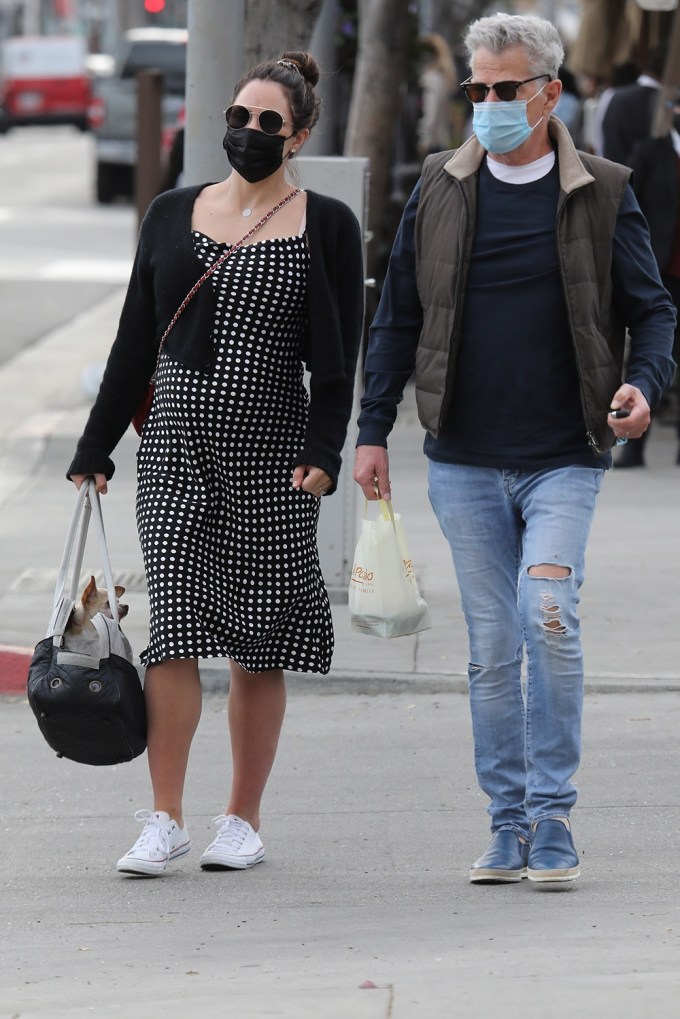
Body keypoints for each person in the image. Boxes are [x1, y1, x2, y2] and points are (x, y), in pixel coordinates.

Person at [354, 13, 675, 886]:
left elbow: (654, 308)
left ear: (548, 92)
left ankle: (554, 817)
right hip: (461, 457)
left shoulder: (603, 187)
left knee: (550, 621)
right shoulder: (439, 186)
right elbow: (399, 317)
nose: (487, 106)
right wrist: (372, 426)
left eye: (505, 90)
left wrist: (643, 386)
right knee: (493, 647)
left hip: (564, 453)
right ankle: (506, 824)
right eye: (477, 90)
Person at [67, 51, 364, 877]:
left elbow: (340, 362)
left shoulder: (326, 224)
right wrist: (95, 447)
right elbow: (134, 339)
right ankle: (164, 817)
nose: (250, 133)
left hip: (273, 451)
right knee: (175, 629)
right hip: (176, 445)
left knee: (257, 643)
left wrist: (324, 450)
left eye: (270, 123)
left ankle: (243, 816)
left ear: (298, 134)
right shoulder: (171, 212)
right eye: (240, 117)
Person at [626, 104, 680, 466]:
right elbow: (630, 207)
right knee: (651, 351)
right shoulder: (649, 152)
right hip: (660, 271)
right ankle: (633, 445)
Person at [416, 33, 457, 159]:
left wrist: (424, 139)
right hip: (441, 141)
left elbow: (431, 112)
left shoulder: (431, 79)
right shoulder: (442, 78)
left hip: (431, 144)